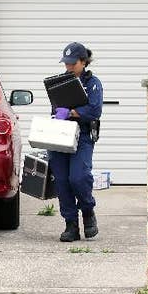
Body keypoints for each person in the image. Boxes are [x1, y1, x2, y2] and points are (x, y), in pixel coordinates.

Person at [49, 42, 103, 243]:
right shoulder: (61, 82)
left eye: (72, 63)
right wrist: (58, 114)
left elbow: (95, 110)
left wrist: (72, 112)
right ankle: (70, 224)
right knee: (62, 181)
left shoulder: (93, 83)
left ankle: (88, 211)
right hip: (61, 136)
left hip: (83, 137)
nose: (68, 67)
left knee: (78, 178)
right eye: (66, 63)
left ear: (83, 62)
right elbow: (54, 108)